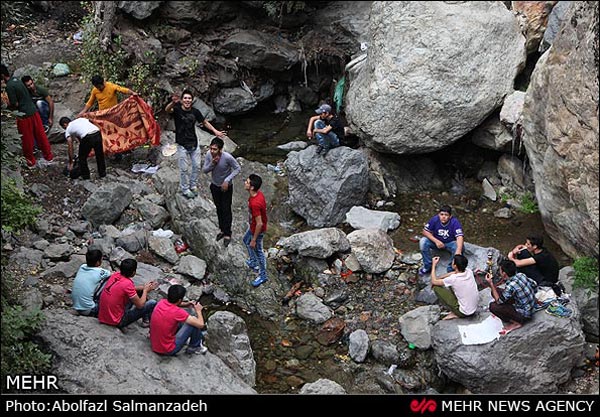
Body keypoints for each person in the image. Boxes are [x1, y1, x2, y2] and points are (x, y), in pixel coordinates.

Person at [166, 89, 225, 199]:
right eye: (185, 98)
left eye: (189, 98)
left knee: (197, 166)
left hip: (194, 143)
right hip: (182, 144)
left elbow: (204, 122)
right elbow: (167, 110)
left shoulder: (195, 111)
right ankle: (185, 188)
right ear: (182, 100)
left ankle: (193, 185)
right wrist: (173, 103)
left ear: (192, 100)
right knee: (184, 169)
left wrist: (215, 131)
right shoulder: (177, 109)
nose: (187, 100)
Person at [1, 64, 54, 169]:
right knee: (40, 135)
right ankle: (48, 157)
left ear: (2, 75)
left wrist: (5, 107)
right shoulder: (17, 80)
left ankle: (30, 162)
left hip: (24, 116)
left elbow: (15, 104)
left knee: (26, 139)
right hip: (34, 111)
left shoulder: (9, 86)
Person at [98, 258, 158, 330]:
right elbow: (140, 305)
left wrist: (144, 287)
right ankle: (149, 325)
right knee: (152, 303)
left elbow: (125, 289)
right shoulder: (128, 284)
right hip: (116, 321)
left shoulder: (115, 275)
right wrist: (145, 290)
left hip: (103, 316)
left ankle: (145, 320)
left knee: (139, 292)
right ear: (133, 273)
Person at [203, 136, 241, 248]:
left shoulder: (227, 157)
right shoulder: (208, 155)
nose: (212, 151)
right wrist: (212, 164)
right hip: (214, 185)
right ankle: (222, 229)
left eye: (215, 149)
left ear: (220, 149)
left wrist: (227, 180)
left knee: (226, 209)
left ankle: (228, 233)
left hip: (226, 187)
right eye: (211, 148)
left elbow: (237, 168)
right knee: (219, 208)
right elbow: (205, 170)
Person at [149, 284, 208, 355]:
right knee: (192, 323)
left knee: (178, 320)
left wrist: (187, 304)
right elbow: (201, 324)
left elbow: (175, 304)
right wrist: (198, 310)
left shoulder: (161, 302)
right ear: (180, 300)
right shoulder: (178, 312)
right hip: (167, 349)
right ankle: (194, 347)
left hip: (154, 344)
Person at [486, 259, 537, 335]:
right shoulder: (521, 275)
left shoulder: (511, 286)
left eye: (500, 270)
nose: (499, 272)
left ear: (504, 273)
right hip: (530, 306)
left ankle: (516, 322)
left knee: (493, 306)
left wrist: (491, 284)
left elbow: (499, 301)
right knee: (497, 291)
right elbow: (534, 285)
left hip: (524, 315)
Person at [430, 254, 479, 320]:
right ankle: (457, 307)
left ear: (455, 265)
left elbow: (434, 282)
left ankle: (455, 313)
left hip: (464, 312)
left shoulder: (453, 279)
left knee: (435, 286)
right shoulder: (468, 271)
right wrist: (439, 278)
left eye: (453, 261)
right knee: (450, 284)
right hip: (473, 308)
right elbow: (453, 273)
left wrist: (433, 265)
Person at [419, 205, 464, 275]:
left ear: (450, 216)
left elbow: (459, 236)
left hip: (449, 243)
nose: (443, 217)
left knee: (459, 247)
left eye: (446, 215)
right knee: (423, 241)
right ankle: (428, 266)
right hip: (436, 242)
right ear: (438, 214)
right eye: (441, 214)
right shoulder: (435, 219)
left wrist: (458, 251)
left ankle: (450, 269)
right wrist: (436, 241)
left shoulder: (454, 222)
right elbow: (425, 231)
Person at [243, 174, 268, 287]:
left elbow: (260, 223)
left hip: (257, 230)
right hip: (253, 226)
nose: (245, 183)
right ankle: (253, 262)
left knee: (258, 251)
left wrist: (254, 239)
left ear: (252, 187)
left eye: (247, 182)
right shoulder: (258, 195)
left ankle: (263, 275)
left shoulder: (255, 203)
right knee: (245, 240)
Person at [71, 249, 111, 317]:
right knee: (109, 279)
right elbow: (113, 275)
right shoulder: (100, 272)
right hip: (90, 309)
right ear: (98, 262)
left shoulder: (82, 266)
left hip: (76, 306)